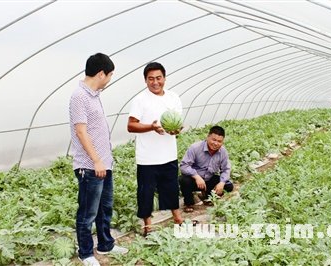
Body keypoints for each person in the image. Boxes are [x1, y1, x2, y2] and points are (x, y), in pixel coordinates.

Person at [69, 53, 128, 266]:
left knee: (105, 209)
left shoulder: (93, 95)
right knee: (87, 212)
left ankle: (106, 244)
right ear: (101, 73)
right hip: (90, 166)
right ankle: (85, 253)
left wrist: (104, 161)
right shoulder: (79, 96)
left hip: (104, 164)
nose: (109, 79)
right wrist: (96, 161)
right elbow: (81, 132)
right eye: (110, 75)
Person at [127, 62, 184, 236]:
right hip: (147, 157)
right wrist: (152, 127)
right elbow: (131, 125)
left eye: (158, 78)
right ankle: (148, 226)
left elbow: (178, 124)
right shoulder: (140, 100)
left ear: (164, 78)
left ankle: (177, 217)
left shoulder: (173, 98)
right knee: (146, 192)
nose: (155, 82)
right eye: (150, 79)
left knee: (172, 188)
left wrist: (175, 130)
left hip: (168, 154)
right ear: (145, 81)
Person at [179, 126, 234, 212]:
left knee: (228, 186)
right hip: (194, 181)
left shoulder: (223, 152)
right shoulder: (195, 148)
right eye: (214, 140)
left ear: (222, 142)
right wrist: (196, 176)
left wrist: (222, 183)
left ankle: (207, 195)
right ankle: (189, 203)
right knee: (184, 180)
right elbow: (184, 166)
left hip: (208, 179)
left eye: (219, 141)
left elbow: (226, 169)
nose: (216, 143)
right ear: (207, 137)